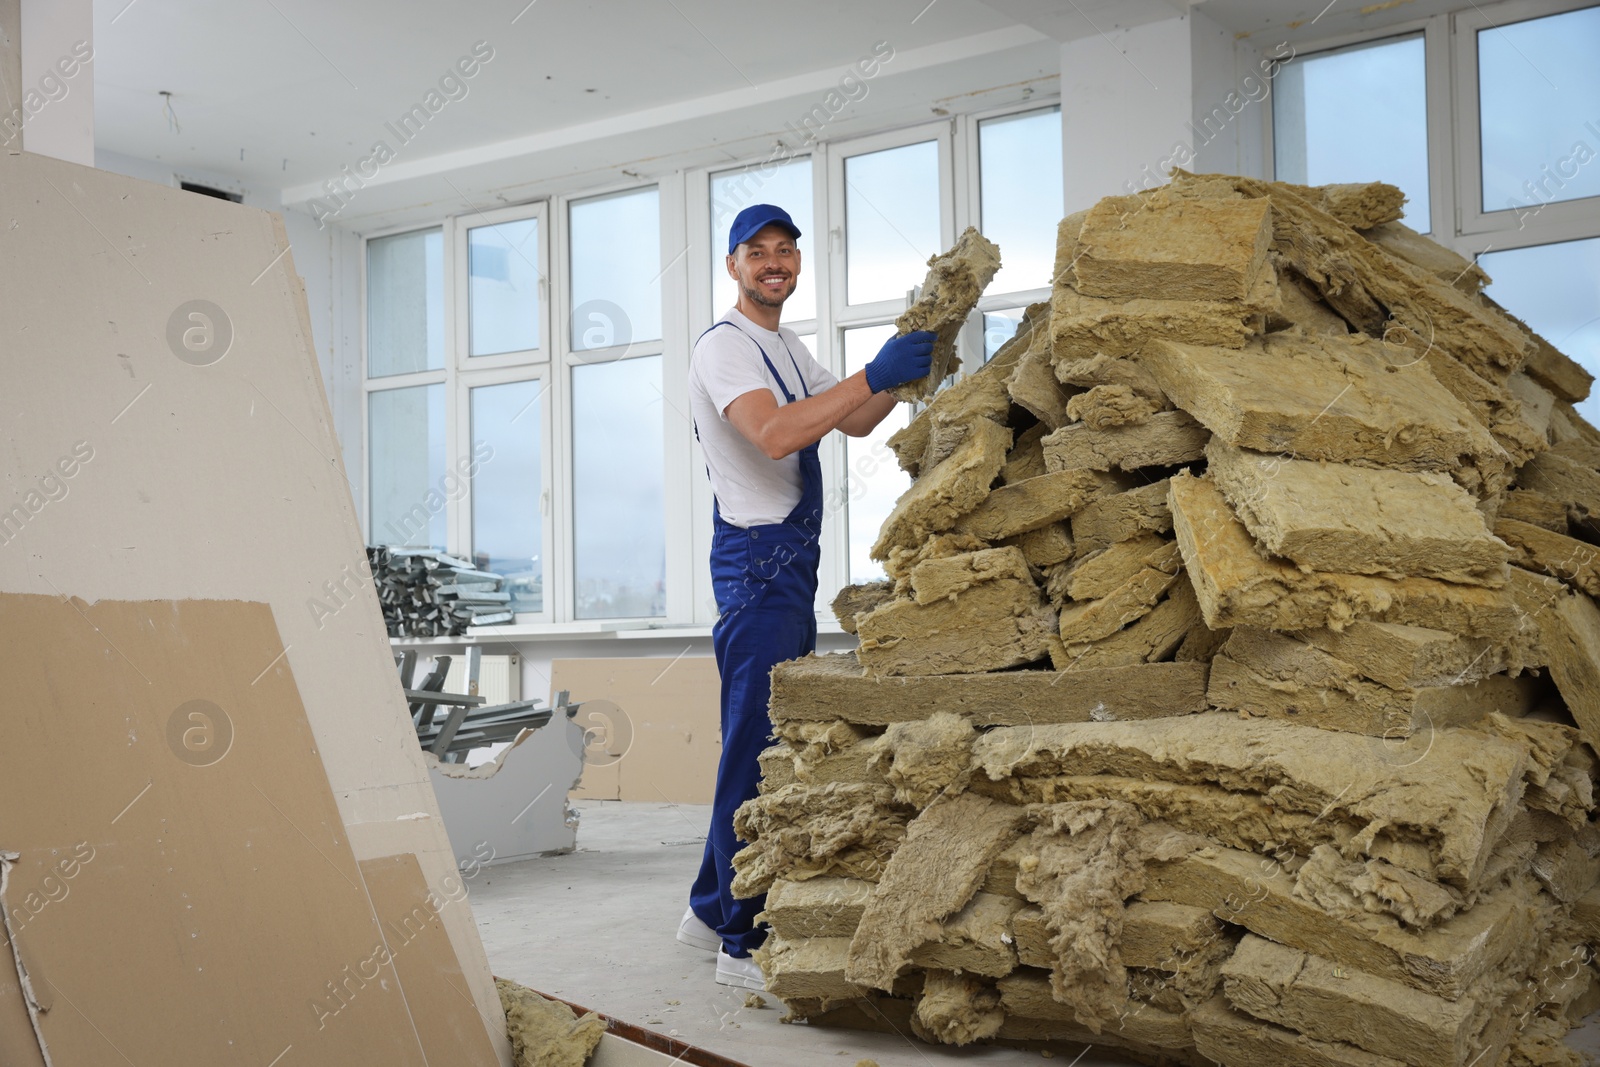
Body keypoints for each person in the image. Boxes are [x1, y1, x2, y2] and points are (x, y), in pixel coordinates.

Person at [679, 204, 935, 988]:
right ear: (733, 266)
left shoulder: (784, 345)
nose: (774, 263)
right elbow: (777, 434)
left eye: (785, 251)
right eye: (757, 252)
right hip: (757, 564)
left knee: (756, 740)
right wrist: (875, 371)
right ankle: (738, 940)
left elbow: (853, 418)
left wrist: (912, 367)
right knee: (753, 755)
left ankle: (702, 910)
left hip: (790, 564)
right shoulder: (726, 350)